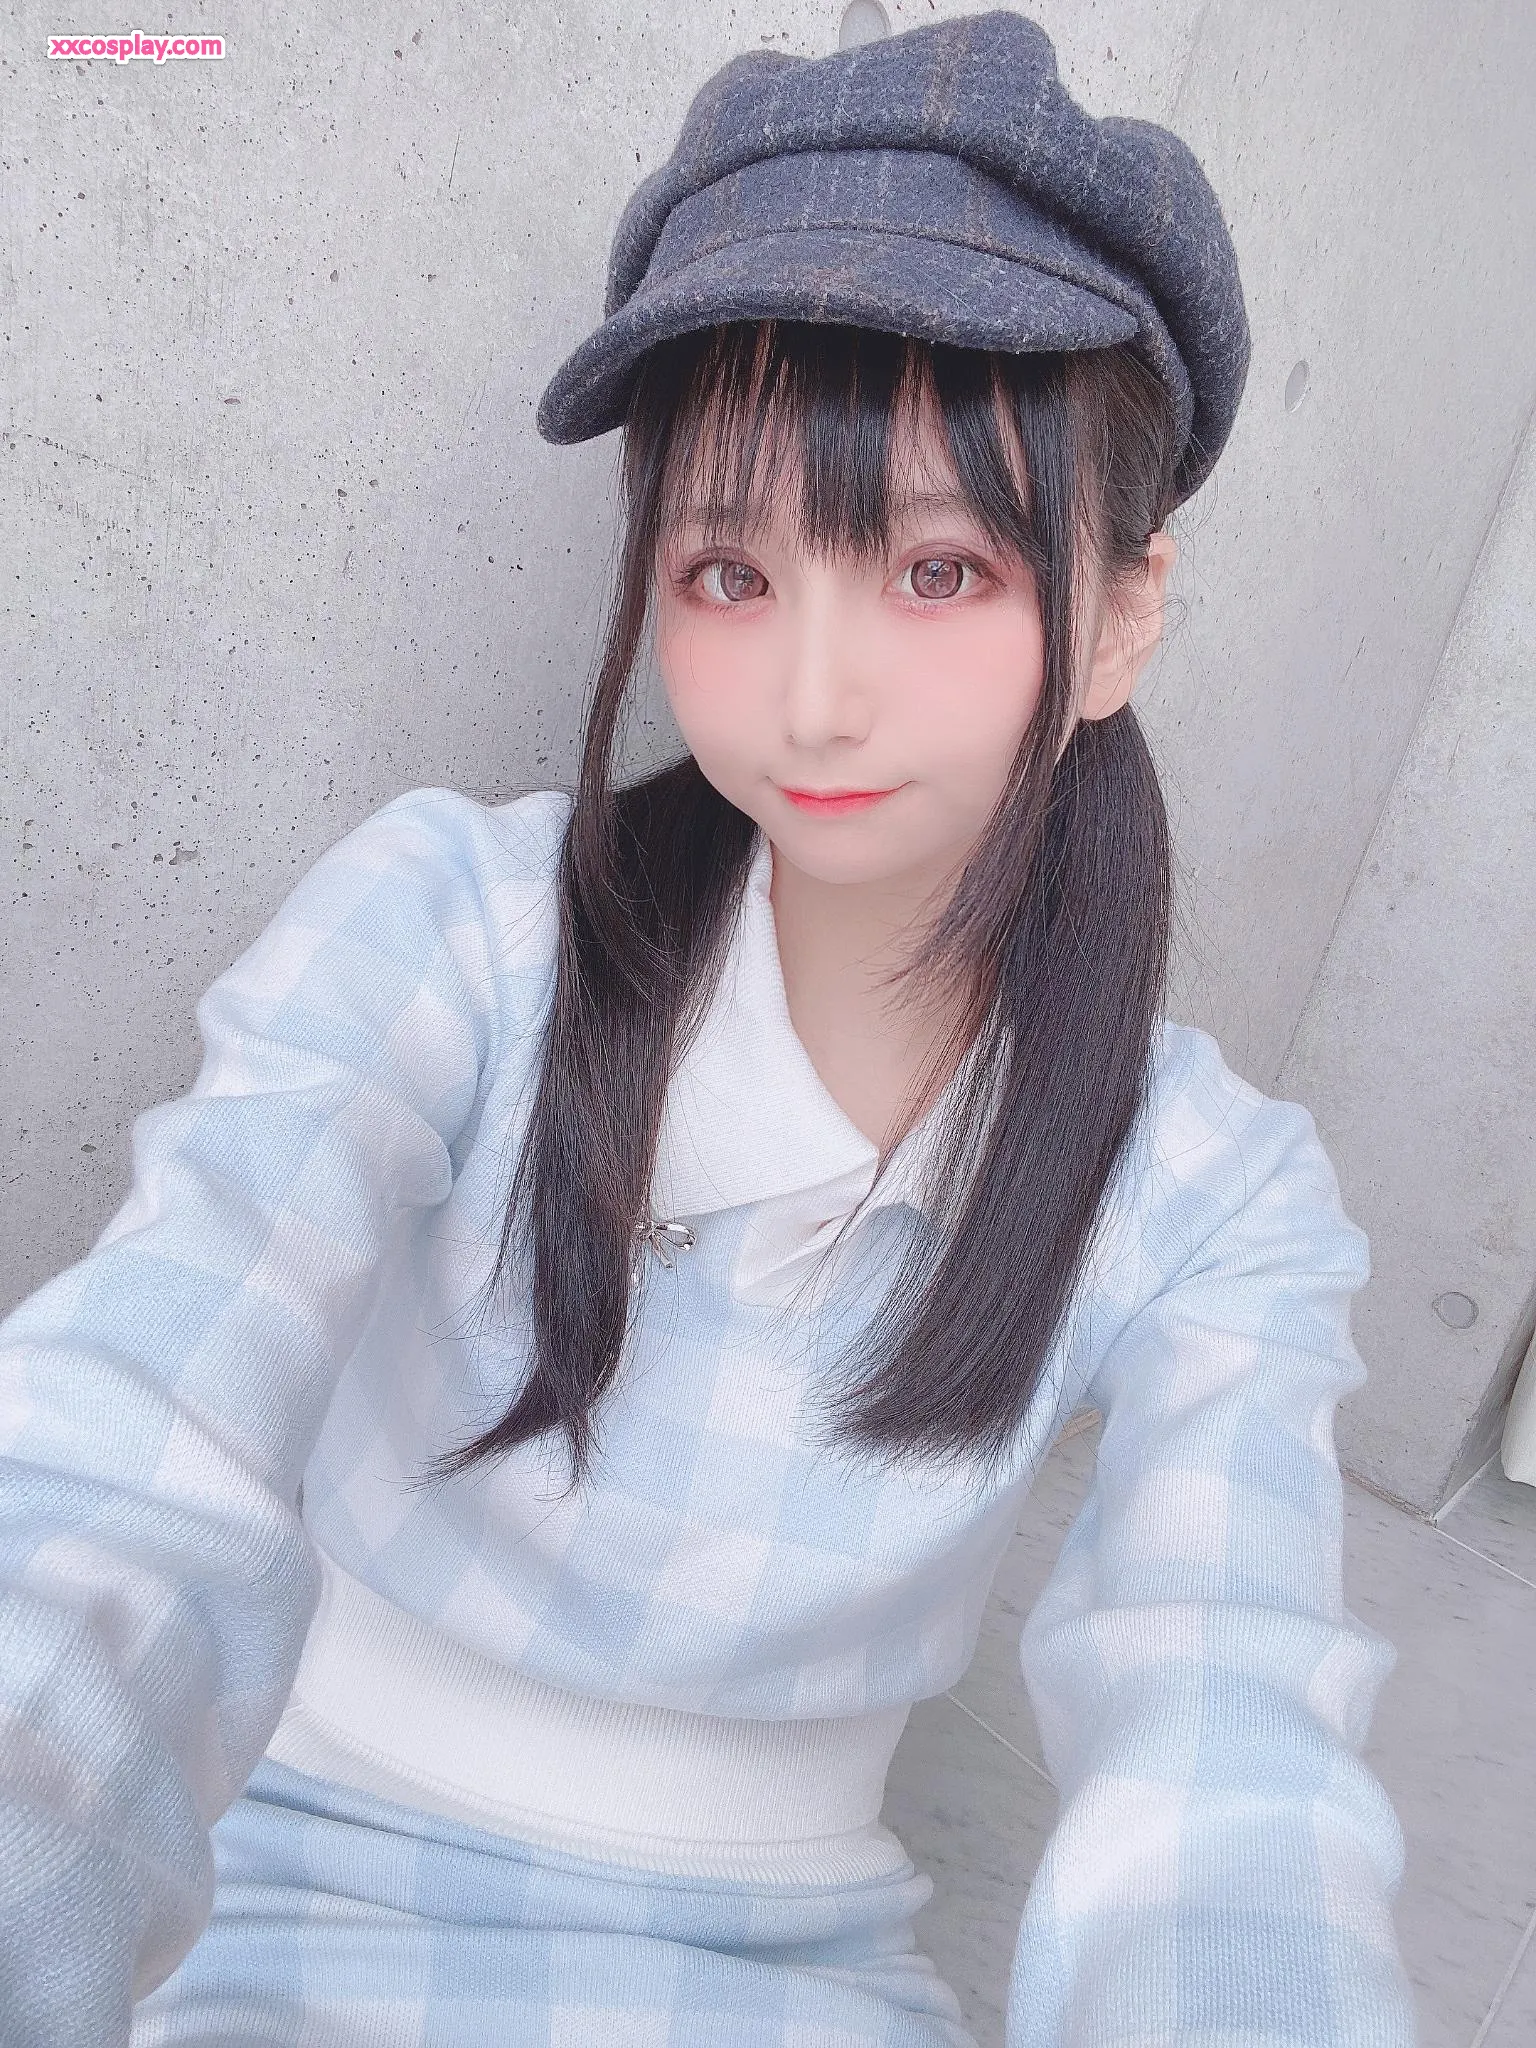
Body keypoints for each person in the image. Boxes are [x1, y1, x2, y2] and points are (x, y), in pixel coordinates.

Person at [0, 12, 1417, 2046]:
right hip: (261, 1854)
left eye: (938, 567)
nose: (810, 696)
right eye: (730, 571)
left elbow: (1234, 1744)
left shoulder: (1210, 1192)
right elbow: (128, 1438)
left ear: (1119, 612)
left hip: (778, 1964)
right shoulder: (453, 930)